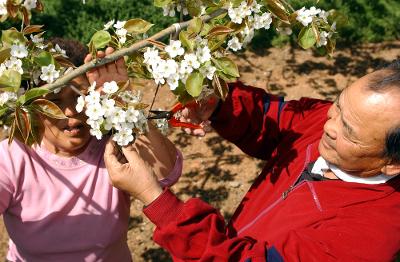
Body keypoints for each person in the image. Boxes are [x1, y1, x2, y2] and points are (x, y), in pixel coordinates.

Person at [104, 59, 400, 261]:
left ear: (392, 164)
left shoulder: (364, 239)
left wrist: (156, 200)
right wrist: (219, 104)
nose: (329, 124)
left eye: (348, 130)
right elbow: (274, 120)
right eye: (337, 104)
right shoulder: (330, 121)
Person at [0, 39, 181, 261]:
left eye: (79, 96)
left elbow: (167, 173)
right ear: (33, 107)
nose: (69, 111)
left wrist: (124, 102)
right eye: (54, 101)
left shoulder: (112, 146)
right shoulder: (13, 156)